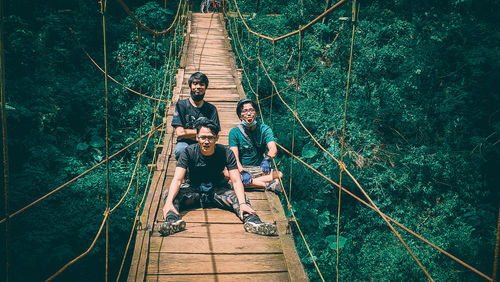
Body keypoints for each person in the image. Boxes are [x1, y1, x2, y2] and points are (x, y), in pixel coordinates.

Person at [159, 117, 277, 236]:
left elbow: (236, 181)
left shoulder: (226, 152)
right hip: (194, 189)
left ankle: (253, 221)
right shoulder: (188, 152)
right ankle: (172, 221)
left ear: (216, 138)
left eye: (210, 138)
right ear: (197, 138)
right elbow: (178, 179)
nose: (206, 141)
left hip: (217, 191)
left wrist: (242, 203)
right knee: (169, 194)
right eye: (203, 137)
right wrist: (168, 202)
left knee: (241, 198)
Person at [228, 99, 282, 192]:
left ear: (256, 114)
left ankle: (246, 183)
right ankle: (267, 185)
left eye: (251, 110)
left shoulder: (264, 129)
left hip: (259, 169)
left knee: (279, 174)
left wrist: (267, 159)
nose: (248, 114)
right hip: (242, 168)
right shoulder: (234, 132)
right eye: (244, 111)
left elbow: (273, 148)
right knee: (225, 173)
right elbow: (234, 157)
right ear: (240, 116)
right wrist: (242, 171)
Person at [172, 72, 220, 160]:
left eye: (201, 84)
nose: (198, 87)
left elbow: (215, 132)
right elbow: (180, 133)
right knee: (181, 150)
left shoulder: (211, 109)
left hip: (205, 142)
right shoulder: (181, 105)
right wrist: (203, 133)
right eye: (195, 84)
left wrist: (189, 133)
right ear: (190, 86)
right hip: (185, 143)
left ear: (205, 88)